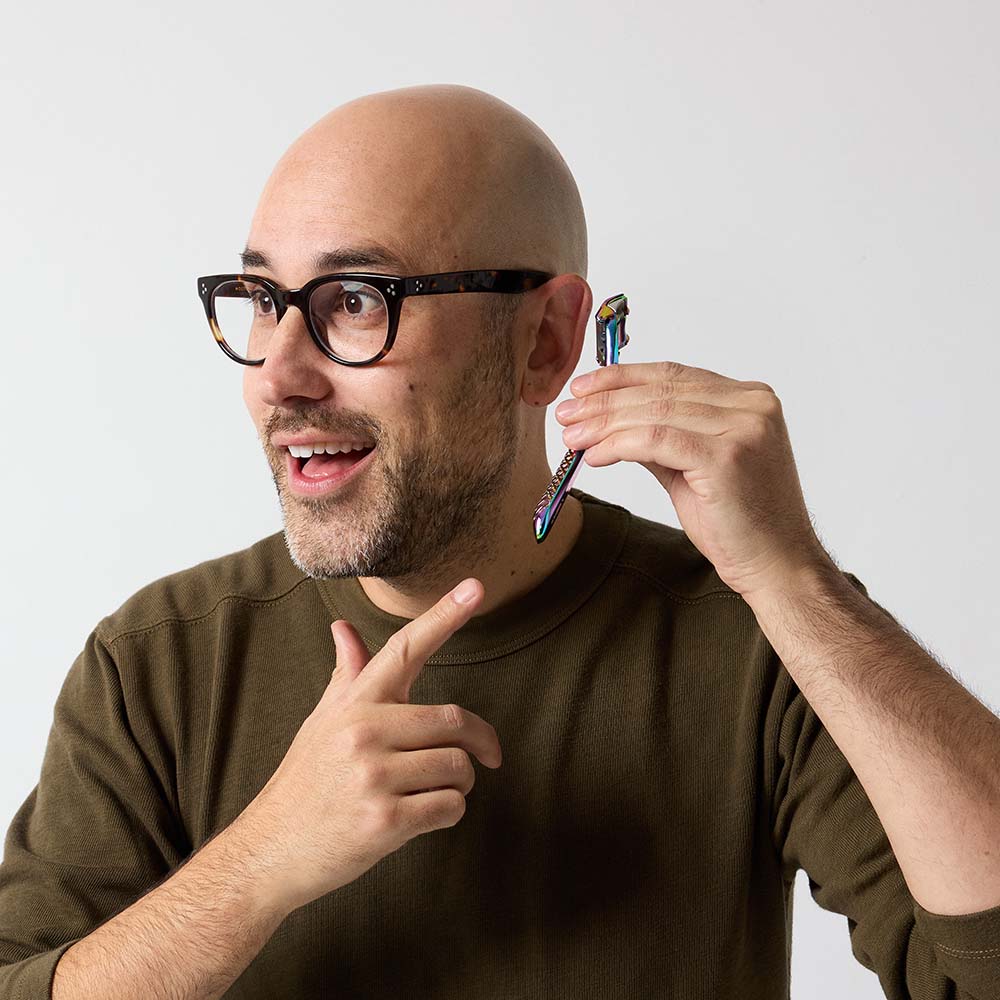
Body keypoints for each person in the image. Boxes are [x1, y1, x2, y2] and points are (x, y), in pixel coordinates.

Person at [1, 83, 997, 1000]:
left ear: (546, 343)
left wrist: (797, 584)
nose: (278, 376)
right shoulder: (157, 664)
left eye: (357, 300)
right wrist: (261, 861)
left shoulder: (755, 644)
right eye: (264, 302)